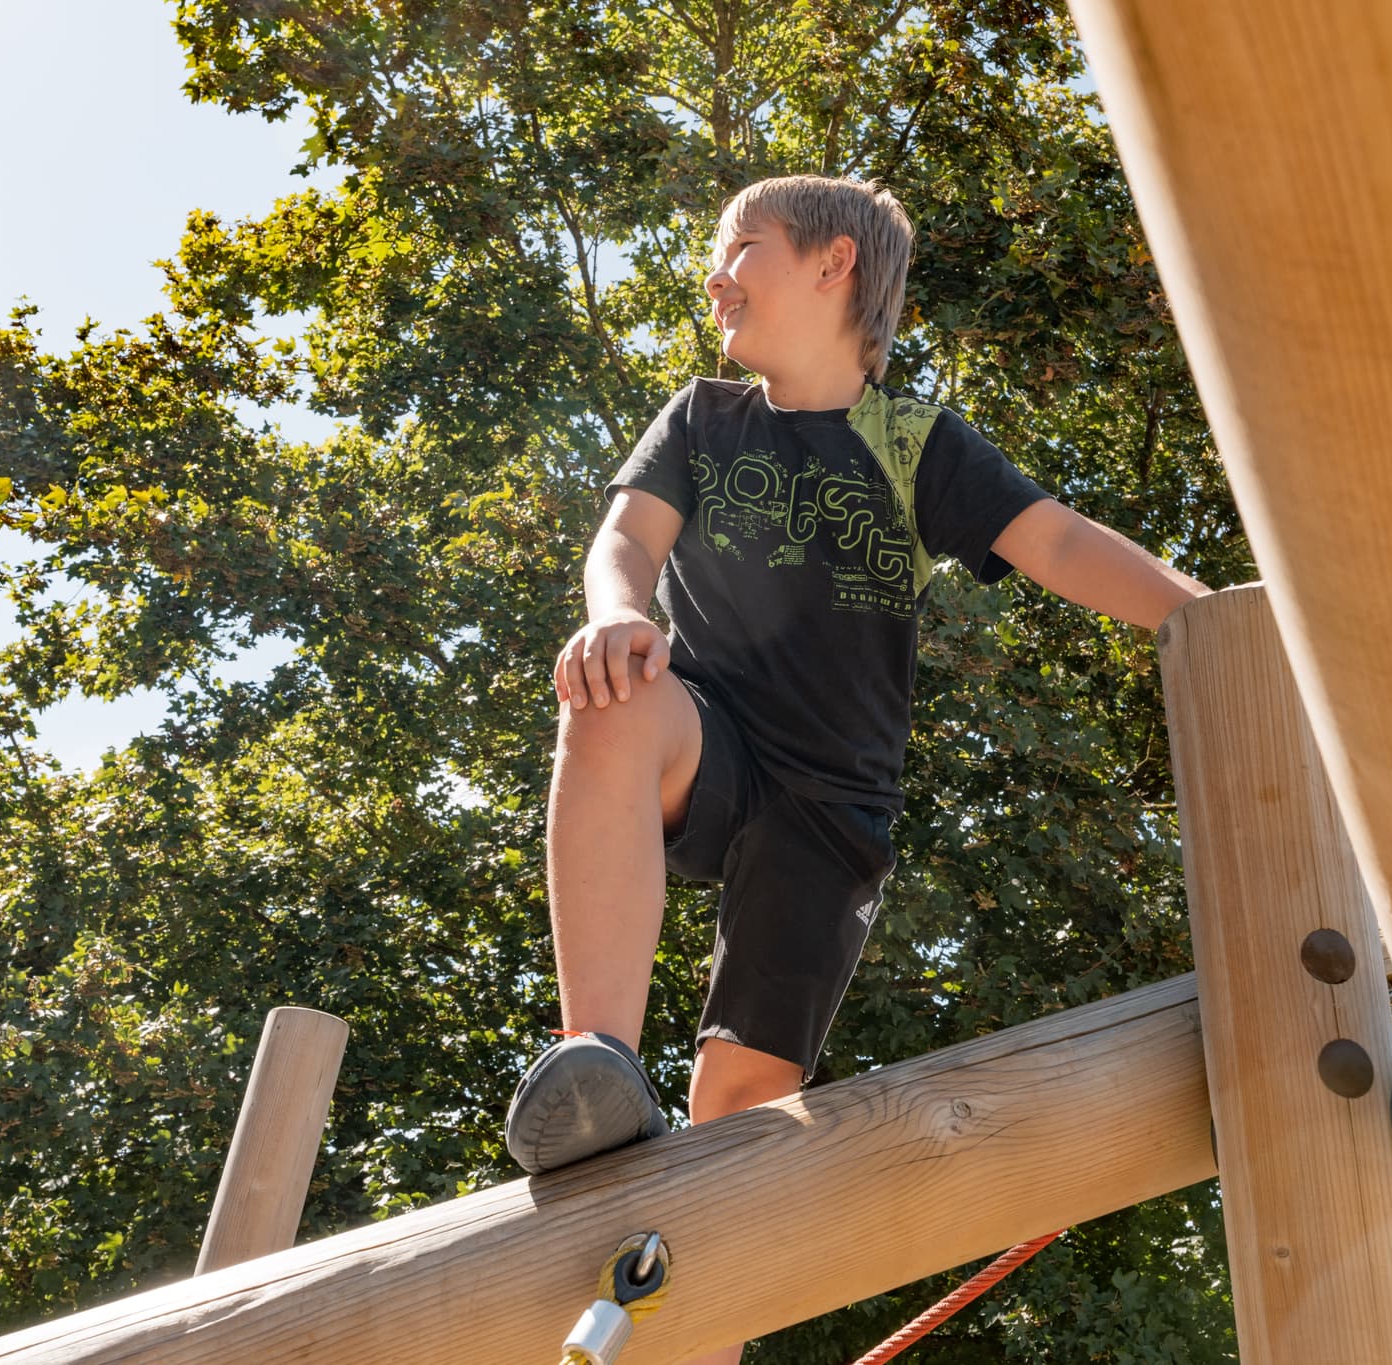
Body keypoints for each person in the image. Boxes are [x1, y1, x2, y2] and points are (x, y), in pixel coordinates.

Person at [505, 175, 1205, 1357]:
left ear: (833, 266)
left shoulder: (913, 443)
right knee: (613, 703)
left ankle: (693, 1333)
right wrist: (616, 614)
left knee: (735, 1120)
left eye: (743, 249)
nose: (715, 274)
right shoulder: (702, 419)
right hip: (710, 737)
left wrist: (1215, 620)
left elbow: (1058, 544)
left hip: (829, 810)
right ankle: (597, 1062)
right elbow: (624, 538)